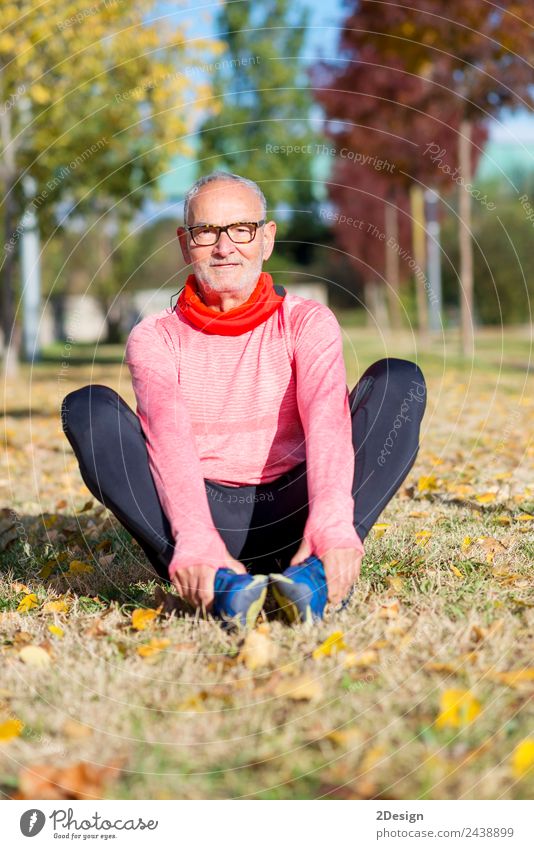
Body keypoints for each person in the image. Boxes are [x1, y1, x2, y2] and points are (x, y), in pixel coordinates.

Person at [61, 170, 427, 627]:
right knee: (87, 407)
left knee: (400, 380)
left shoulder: (307, 322)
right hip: (201, 520)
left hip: (300, 505)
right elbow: (168, 442)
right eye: (206, 231)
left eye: (241, 229)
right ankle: (217, 585)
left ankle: (319, 572)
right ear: (184, 242)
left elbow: (328, 422)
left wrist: (332, 520)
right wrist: (195, 536)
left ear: (266, 239)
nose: (223, 246)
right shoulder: (154, 337)